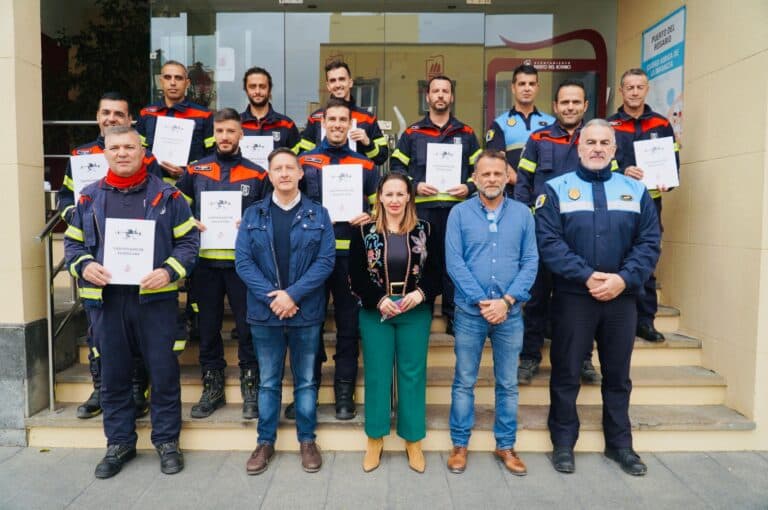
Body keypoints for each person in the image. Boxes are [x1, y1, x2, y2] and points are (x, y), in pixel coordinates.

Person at [64, 126, 199, 479]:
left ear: (143, 152)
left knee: (164, 373)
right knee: (114, 376)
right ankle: (120, 442)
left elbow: (188, 245)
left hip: (155, 302)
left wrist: (169, 271)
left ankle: (167, 441)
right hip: (108, 302)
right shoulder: (88, 197)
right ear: (104, 153)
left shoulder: (169, 197)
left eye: (129, 147)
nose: (122, 153)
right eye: (115, 148)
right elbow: (73, 246)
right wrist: (85, 265)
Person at [535, 119, 660, 476]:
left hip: (622, 299)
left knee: (618, 376)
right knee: (567, 372)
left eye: (605, 142)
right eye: (591, 142)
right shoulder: (556, 189)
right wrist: (587, 275)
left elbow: (649, 242)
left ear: (615, 149)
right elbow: (549, 244)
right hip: (574, 297)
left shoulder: (636, 191)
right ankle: (562, 443)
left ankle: (620, 445)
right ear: (578, 146)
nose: (597, 148)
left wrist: (623, 279)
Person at [58, 91, 162, 421]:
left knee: (131, 331)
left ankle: (135, 388)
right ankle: (100, 388)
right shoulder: (81, 155)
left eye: (119, 114)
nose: (112, 119)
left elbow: (158, 199)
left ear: (130, 120)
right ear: (98, 116)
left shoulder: (145, 156)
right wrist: (80, 215)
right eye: (106, 113)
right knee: (97, 332)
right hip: (95, 256)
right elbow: (64, 200)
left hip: (136, 258)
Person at [235, 148, 335, 475]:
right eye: (277, 168)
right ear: (269, 174)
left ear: (301, 173)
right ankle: (265, 442)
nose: (284, 173)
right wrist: (273, 297)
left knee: (305, 381)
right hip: (265, 314)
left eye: (290, 168)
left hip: (305, 312)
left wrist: (292, 295)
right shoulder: (253, 214)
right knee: (268, 381)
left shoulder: (318, 215)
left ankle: (307, 440)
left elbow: (325, 262)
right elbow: (243, 263)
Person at [445, 149, 538, 475]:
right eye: (485, 174)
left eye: (498, 173)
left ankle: (506, 445)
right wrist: (483, 301)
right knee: (464, 380)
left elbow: (531, 262)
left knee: (508, 383)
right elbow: (454, 262)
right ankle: (459, 444)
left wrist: (507, 301)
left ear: (507, 177)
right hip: (471, 313)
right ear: (474, 178)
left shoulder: (524, 214)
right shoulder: (458, 214)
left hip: (510, 313)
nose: (491, 179)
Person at [288, 97, 379, 421]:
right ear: (323, 123)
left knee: (348, 327)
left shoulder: (367, 166)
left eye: (344, 120)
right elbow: (290, 202)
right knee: (307, 324)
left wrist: (368, 215)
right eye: (333, 120)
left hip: (350, 257)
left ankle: (344, 391)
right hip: (312, 257)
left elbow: (380, 208)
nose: (338, 125)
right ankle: (306, 388)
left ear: (350, 124)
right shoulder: (305, 161)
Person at [175, 108, 270, 420]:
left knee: (247, 328)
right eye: (220, 131)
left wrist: (253, 222)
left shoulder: (258, 174)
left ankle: (250, 385)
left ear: (241, 134)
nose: (225, 137)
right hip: (204, 266)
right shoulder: (196, 170)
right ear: (213, 134)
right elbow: (177, 209)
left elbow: (269, 215)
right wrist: (191, 221)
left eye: (231, 131)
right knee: (208, 328)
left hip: (244, 267)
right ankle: (212, 386)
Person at [349, 173, 441, 474]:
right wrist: (378, 298)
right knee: (377, 374)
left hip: (414, 310)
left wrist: (420, 294)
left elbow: (437, 271)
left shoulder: (426, 229)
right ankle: (375, 438)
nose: (394, 200)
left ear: (409, 197)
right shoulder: (363, 231)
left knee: (412, 374)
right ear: (379, 197)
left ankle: (413, 439)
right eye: (388, 194)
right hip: (377, 311)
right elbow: (356, 274)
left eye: (400, 194)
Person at [515, 79, 601, 385]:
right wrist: (526, 219)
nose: (570, 107)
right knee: (536, 298)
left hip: (582, 236)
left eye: (576, 102)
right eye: (565, 102)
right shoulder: (538, 138)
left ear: (585, 106)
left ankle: (583, 360)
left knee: (580, 301)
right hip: (543, 234)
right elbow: (523, 182)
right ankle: (529, 357)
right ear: (555, 106)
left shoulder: (595, 140)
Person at [390, 74, 482, 334]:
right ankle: (423, 314)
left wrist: (470, 186)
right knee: (423, 262)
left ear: (451, 97)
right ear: (427, 96)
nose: (440, 95)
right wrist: (414, 185)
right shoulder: (412, 133)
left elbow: (481, 169)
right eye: (435, 91)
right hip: (424, 210)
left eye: (445, 91)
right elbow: (396, 167)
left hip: (457, 210)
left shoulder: (466, 133)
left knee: (456, 262)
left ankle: (455, 316)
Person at [608, 68, 680, 342]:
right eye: (630, 87)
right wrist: (622, 170)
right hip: (617, 202)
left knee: (647, 258)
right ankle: (616, 319)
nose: (635, 92)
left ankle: (645, 321)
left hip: (651, 202)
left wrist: (668, 181)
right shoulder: (610, 125)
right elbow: (601, 159)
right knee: (616, 258)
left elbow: (672, 164)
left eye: (640, 87)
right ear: (622, 90)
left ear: (646, 90)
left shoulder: (661, 124)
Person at [298, 60, 389, 165]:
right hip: (323, 178)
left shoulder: (367, 118)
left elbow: (382, 157)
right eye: (333, 81)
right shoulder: (316, 118)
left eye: (341, 79)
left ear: (350, 82)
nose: (337, 84)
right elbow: (303, 156)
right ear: (328, 86)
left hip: (357, 178)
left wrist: (368, 143)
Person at [485, 64, 555, 195]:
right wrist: (524, 185)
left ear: (537, 88)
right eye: (522, 84)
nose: (527, 88)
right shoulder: (499, 124)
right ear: (513, 87)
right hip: (512, 194)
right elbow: (498, 161)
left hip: (545, 194)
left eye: (532, 84)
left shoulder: (552, 123)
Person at [136, 60, 214, 176]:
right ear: (161, 81)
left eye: (178, 78)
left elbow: (212, 156)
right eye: (168, 77)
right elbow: (138, 151)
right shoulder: (146, 113)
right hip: (153, 185)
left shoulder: (204, 115)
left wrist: (186, 173)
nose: (173, 83)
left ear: (187, 83)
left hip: (189, 186)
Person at [240, 66, 301, 153]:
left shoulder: (286, 125)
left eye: (262, 86)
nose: (257, 91)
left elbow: (296, 160)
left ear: (270, 89)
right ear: (246, 90)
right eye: (252, 87)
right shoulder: (236, 124)